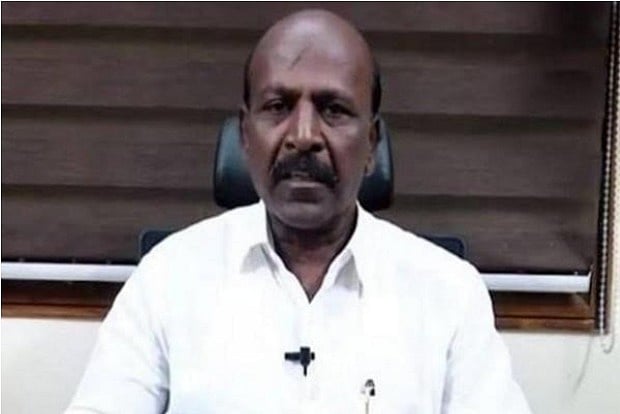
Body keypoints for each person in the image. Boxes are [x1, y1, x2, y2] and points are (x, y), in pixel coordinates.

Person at [67, 9, 531, 414]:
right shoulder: (168, 278)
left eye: (333, 109)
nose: (304, 135)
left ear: (371, 143)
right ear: (245, 135)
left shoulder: (448, 293)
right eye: (278, 107)